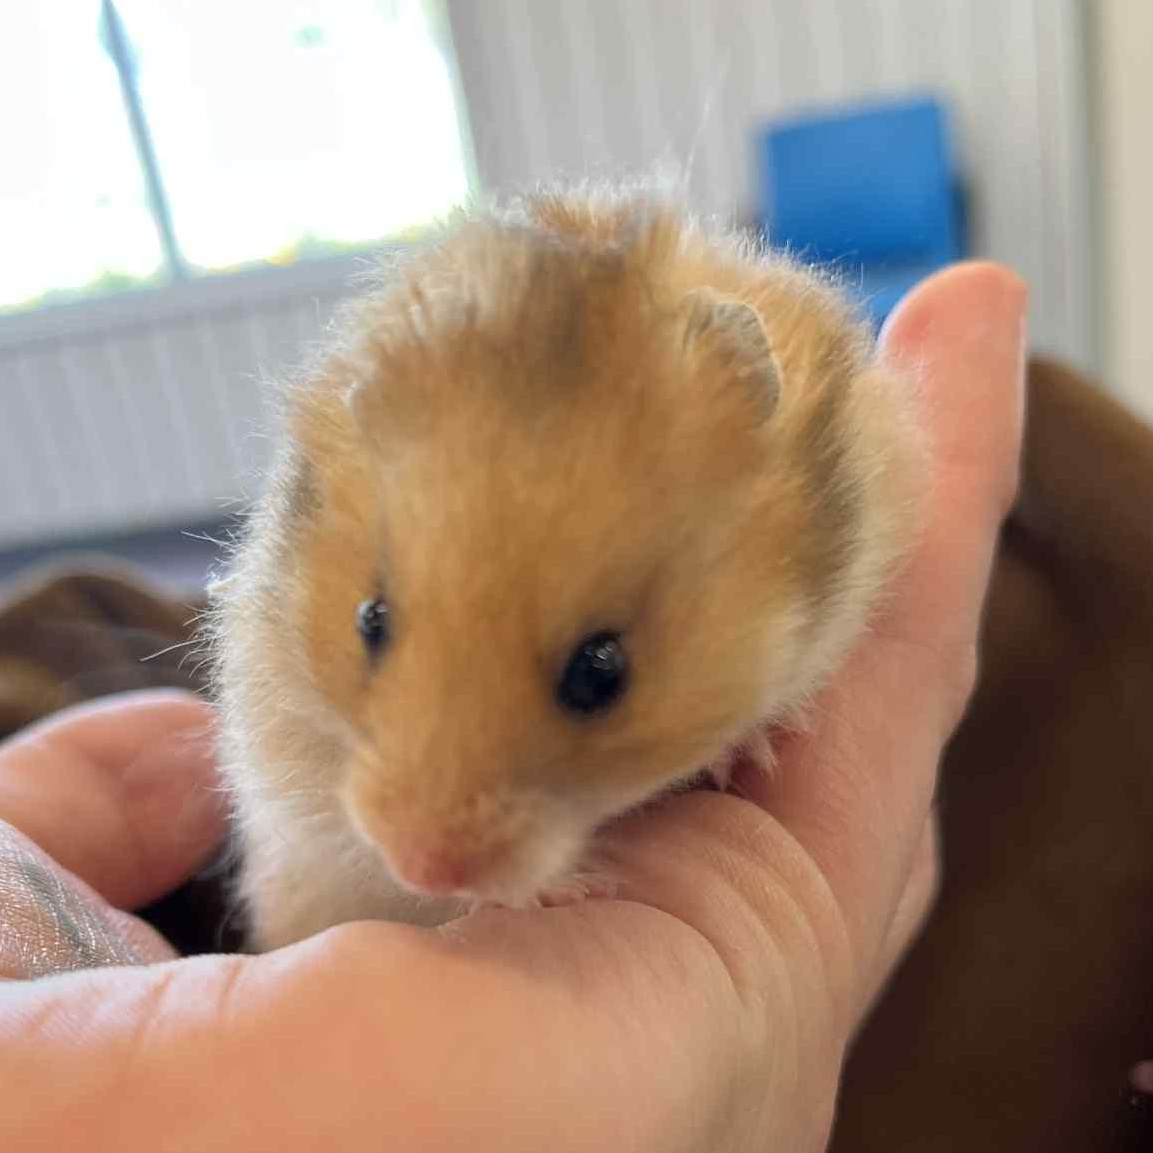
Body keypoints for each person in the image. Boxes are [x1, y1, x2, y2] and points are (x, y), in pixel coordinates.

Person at [0, 262, 1025, 1152]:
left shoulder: (817, 454)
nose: (431, 841)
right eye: (377, 625)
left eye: (594, 670)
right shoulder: (339, 502)